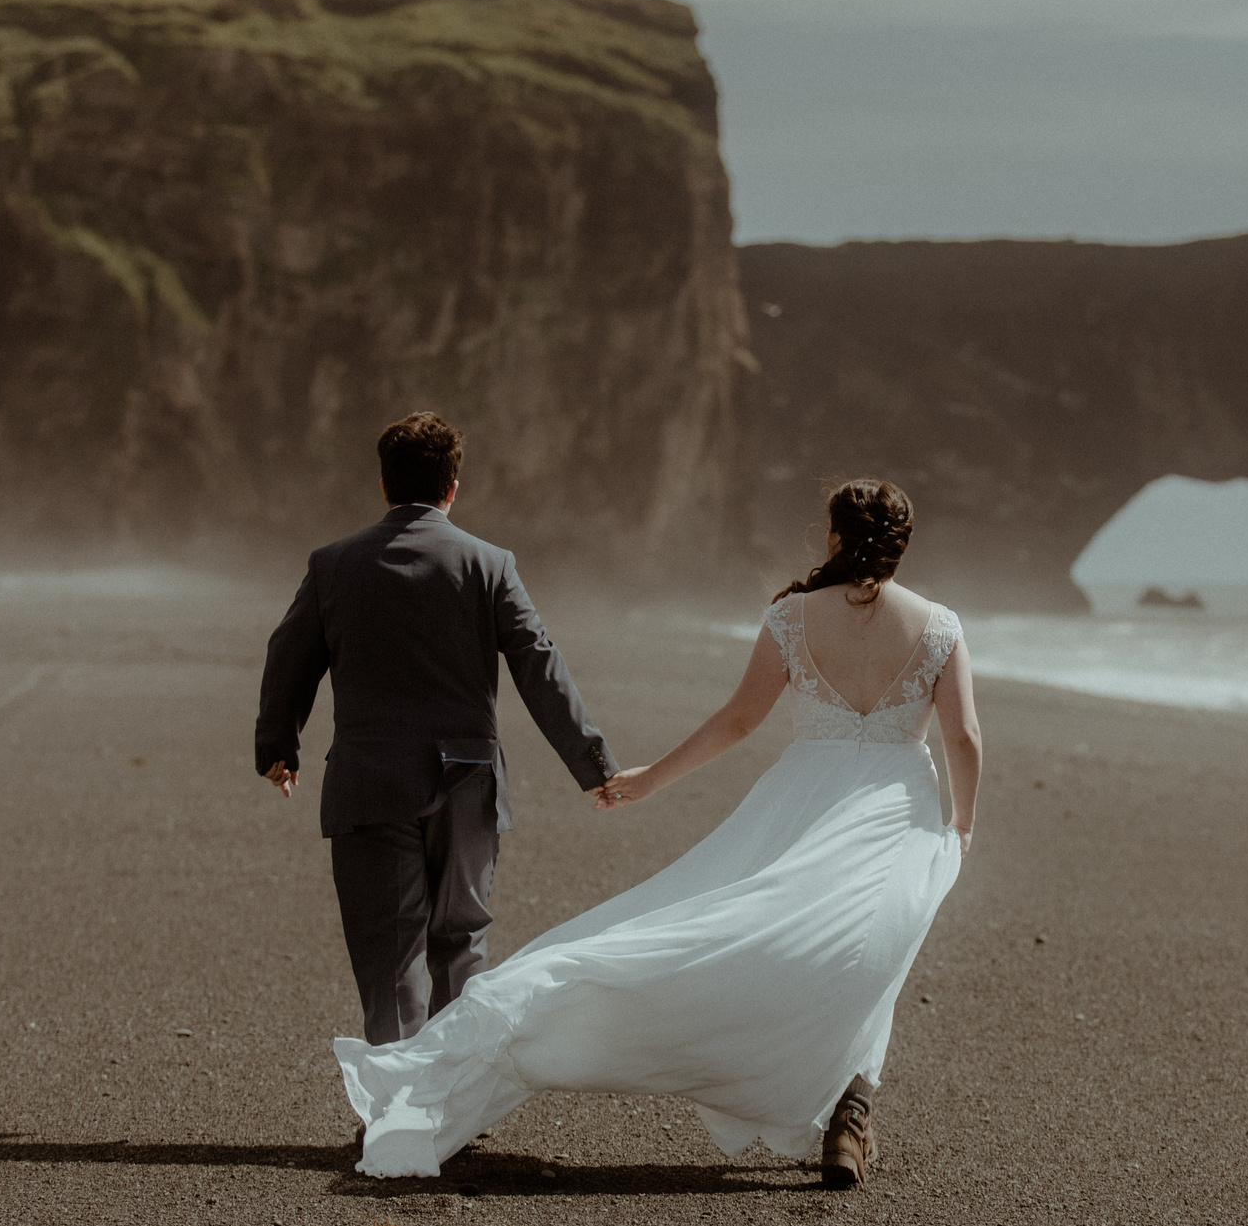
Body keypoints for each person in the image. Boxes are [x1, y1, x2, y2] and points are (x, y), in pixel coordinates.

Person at [333, 477, 983, 1188]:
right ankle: (849, 1112)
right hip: (899, 810)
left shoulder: (793, 617)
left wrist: (651, 777)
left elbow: (737, 720)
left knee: (743, 928)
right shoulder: (940, 626)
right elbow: (966, 738)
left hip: (801, 802)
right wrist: (962, 825)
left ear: (833, 535)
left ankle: (848, 1110)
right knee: (870, 951)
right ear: (901, 541)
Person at [254, 411, 618, 1047]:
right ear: (453, 487)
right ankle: (451, 1101)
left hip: (370, 781)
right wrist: (593, 766)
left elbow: (289, 656)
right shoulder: (489, 564)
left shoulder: (333, 564)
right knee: (461, 945)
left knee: (389, 954)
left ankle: (397, 1108)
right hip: (466, 783)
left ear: (384, 485)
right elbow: (540, 665)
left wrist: (279, 746)